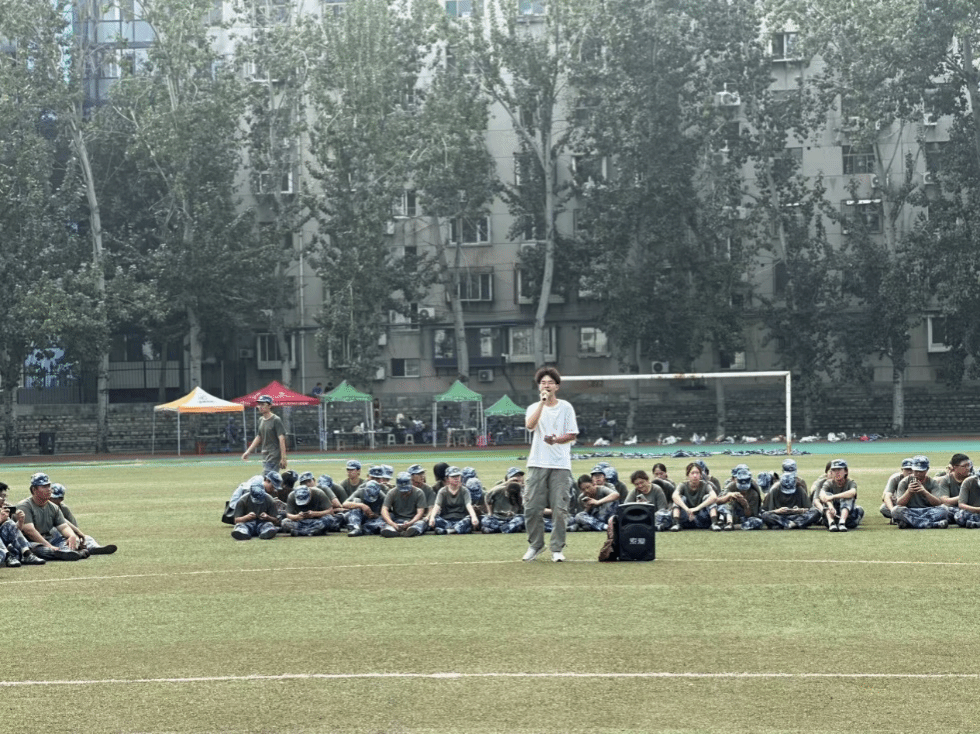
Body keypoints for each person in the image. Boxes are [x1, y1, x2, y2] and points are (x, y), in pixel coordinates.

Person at [523, 366, 579, 562]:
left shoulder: (566, 407)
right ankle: (536, 545)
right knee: (532, 507)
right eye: (543, 383)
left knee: (560, 509)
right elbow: (530, 426)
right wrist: (542, 403)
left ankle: (557, 548)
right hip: (537, 462)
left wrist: (556, 440)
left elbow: (572, 434)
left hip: (560, 465)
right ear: (539, 386)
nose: (546, 386)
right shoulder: (533, 407)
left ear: (557, 386)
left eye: (550, 383)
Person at [15, 473, 84, 560]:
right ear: (34, 489)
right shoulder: (25, 506)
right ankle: (72, 552)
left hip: (48, 539)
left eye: (49, 486)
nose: (49, 489)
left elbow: (63, 527)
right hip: (28, 541)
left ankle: (68, 551)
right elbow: (30, 531)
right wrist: (49, 546)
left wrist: (72, 536)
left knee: (69, 542)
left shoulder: (54, 507)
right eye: (44, 487)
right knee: (42, 550)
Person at [49, 483, 117, 554]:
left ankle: (94, 547)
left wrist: (77, 537)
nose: (51, 499)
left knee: (87, 538)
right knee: (57, 535)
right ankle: (69, 551)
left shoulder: (63, 508)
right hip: (53, 537)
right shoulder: (46, 507)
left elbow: (73, 525)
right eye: (50, 497)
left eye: (55, 498)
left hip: (67, 534)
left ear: (61, 499)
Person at [891, 456, 952, 529]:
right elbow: (900, 503)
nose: (918, 474)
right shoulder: (904, 482)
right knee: (895, 510)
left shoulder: (932, 483)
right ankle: (932, 524)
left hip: (927, 511)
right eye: (916, 471)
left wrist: (924, 492)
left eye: (921, 471)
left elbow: (937, 503)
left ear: (927, 470)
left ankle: (911, 523)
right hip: (911, 511)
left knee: (944, 510)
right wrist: (909, 492)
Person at [0, 483, 45, 567]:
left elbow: (13, 532)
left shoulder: (4, 508)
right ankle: (8, 556)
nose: (4, 500)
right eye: (2, 497)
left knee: (9, 523)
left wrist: (20, 522)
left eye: (5, 497)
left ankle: (26, 554)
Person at [428, 466, 480, 535]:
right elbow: (437, 505)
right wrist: (432, 518)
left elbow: (468, 505)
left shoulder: (464, 491)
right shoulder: (442, 491)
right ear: (447, 478)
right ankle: (456, 529)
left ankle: (448, 531)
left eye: (458, 476)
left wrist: (474, 517)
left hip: (461, 519)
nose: (456, 478)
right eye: (453, 477)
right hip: (446, 520)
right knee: (435, 519)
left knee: (468, 519)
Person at [241, 394, 287, 472]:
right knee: (269, 478)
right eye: (259, 404)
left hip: (274, 456)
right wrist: (248, 452)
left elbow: (281, 439)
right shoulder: (261, 420)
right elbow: (259, 437)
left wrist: (283, 458)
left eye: (262, 404)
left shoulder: (276, 420)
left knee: (267, 477)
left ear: (270, 406)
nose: (260, 407)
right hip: (265, 455)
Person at [815, 459, 863, 531]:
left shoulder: (850, 482)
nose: (837, 473)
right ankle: (831, 523)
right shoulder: (828, 483)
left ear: (846, 471)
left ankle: (842, 522)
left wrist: (833, 497)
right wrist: (830, 506)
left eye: (839, 470)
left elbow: (852, 492)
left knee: (847, 496)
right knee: (826, 495)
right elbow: (822, 495)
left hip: (849, 518)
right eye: (834, 470)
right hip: (832, 514)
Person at [716, 466, 764, 531]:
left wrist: (745, 505)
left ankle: (733, 527)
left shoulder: (754, 494)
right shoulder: (731, 486)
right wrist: (729, 495)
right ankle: (728, 522)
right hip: (731, 513)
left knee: (757, 522)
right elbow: (718, 501)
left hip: (743, 517)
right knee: (722, 507)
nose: (742, 491)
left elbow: (751, 515)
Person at [380, 472, 428, 538]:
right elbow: (384, 509)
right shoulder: (392, 492)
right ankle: (391, 530)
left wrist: (410, 523)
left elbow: (420, 512)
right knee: (385, 521)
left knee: (422, 523)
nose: (404, 492)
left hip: (413, 520)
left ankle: (411, 530)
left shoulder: (419, 492)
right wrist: (392, 523)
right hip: (396, 519)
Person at [482, 469, 525, 534]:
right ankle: (506, 528)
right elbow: (488, 495)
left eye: (519, 476)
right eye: (514, 477)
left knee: (521, 519)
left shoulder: (524, 489)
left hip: (513, 518)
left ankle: (499, 529)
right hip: (498, 517)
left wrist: (519, 486)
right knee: (485, 520)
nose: (517, 479)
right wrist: (490, 513)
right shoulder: (500, 489)